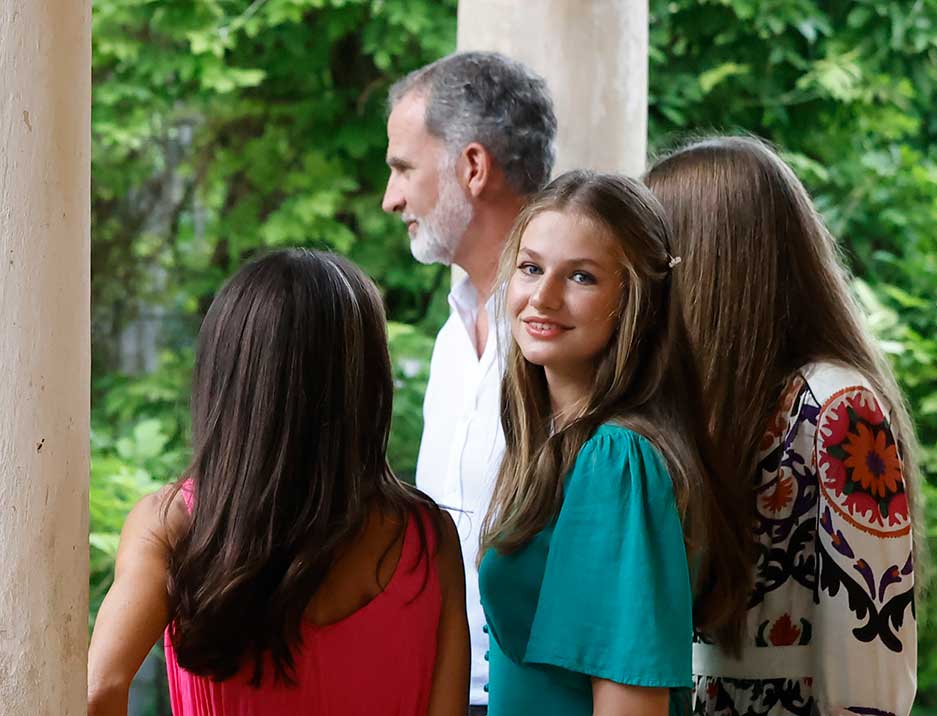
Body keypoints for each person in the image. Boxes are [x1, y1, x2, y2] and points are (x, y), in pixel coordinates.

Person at [86, 249, 469, 716]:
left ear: (227, 376)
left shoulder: (176, 525)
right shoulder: (429, 540)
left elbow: (99, 688)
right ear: (366, 380)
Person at [645, 136, 924, 716]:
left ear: (707, 258)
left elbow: (873, 641)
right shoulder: (697, 402)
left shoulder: (838, 405)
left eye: (657, 251)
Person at [477, 171, 755, 716]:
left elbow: (630, 705)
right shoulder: (551, 444)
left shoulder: (619, 462)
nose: (543, 297)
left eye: (581, 277)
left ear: (637, 301)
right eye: (531, 268)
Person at [381, 50, 557, 713]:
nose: (390, 197)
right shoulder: (453, 336)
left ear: (473, 168)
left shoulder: (568, 340)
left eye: (402, 168)